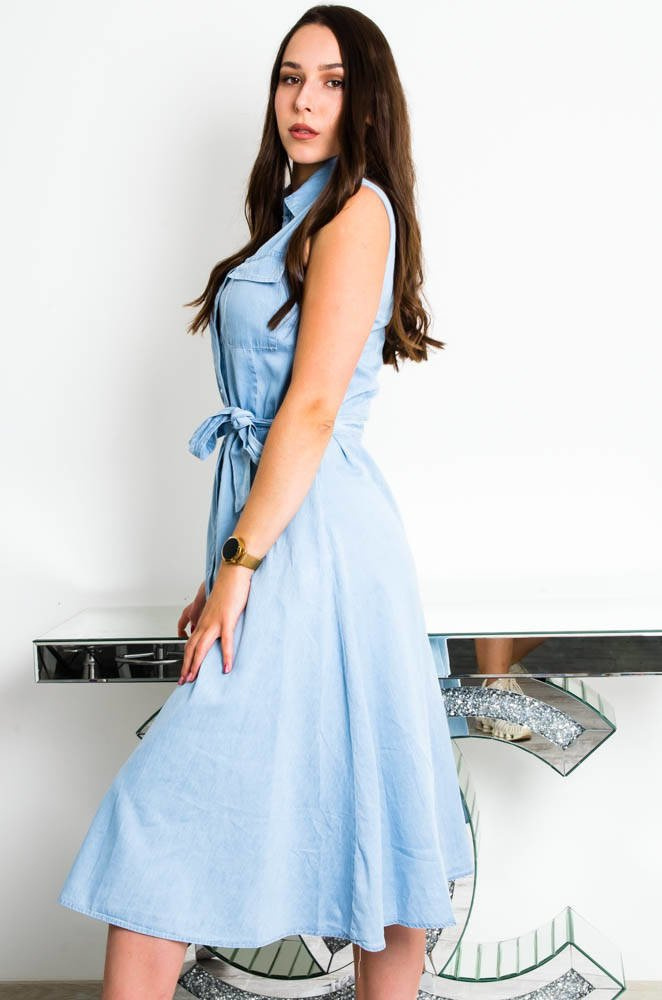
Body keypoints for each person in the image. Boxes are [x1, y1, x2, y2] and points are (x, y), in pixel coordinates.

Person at [57, 7, 475, 998]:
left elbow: (314, 406)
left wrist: (239, 566)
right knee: (232, 815)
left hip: (320, 546)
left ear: (365, 101)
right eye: (290, 77)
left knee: (219, 816)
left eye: (331, 81)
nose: (304, 100)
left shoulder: (356, 211)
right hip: (278, 532)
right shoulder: (295, 217)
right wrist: (227, 564)